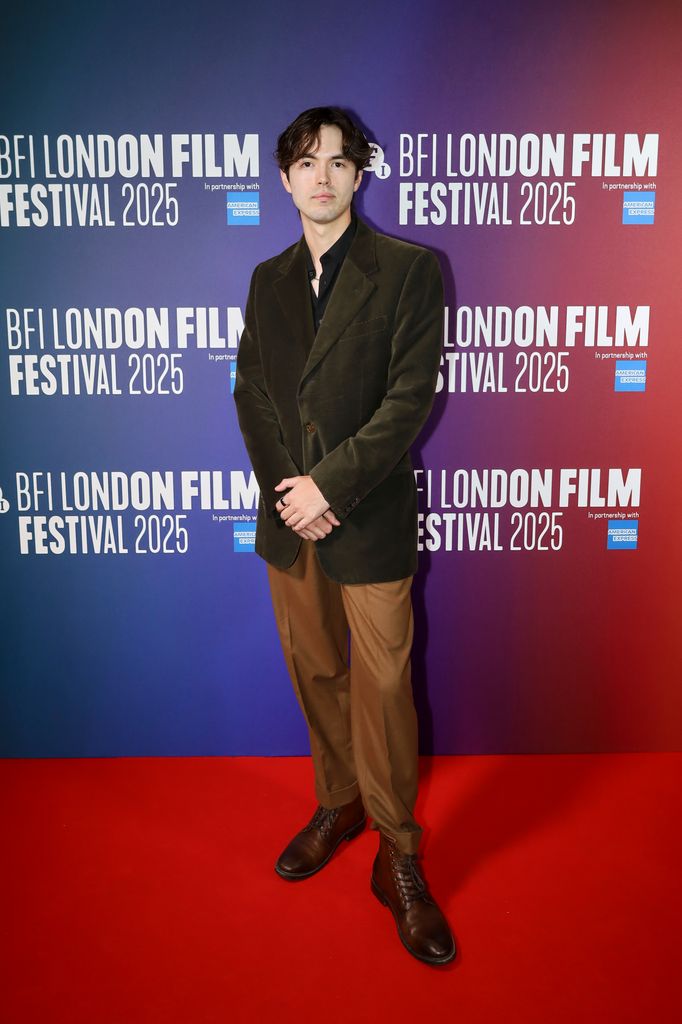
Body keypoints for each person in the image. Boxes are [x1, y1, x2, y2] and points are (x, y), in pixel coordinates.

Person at [233, 106, 455, 966]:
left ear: (361, 175)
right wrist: (293, 495)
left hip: (366, 515)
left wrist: (329, 485)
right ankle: (340, 800)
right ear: (285, 179)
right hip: (292, 522)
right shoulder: (266, 279)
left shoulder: (407, 270)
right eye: (304, 161)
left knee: (384, 687)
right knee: (315, 668)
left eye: (338, 161)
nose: (321, 175)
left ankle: (398, 855)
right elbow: (252, 392)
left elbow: (409, 398)